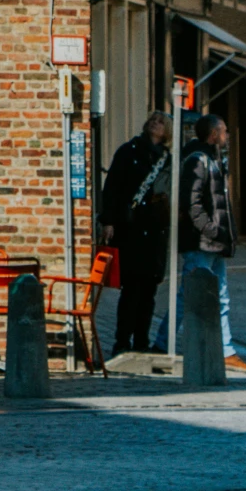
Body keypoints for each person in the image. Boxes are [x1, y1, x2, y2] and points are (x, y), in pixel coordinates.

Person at [154, 113, 246, 373]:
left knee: (220, 296)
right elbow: (192, 202)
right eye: (223, 131)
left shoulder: (212, 159)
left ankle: (226, 350)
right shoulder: (198, 160)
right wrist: (211, 230)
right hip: (202, 242)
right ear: (213, 135)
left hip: (213, 243)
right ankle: (162, 345)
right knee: (188, 295)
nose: (227, 135)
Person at [100, 110, 171, 355]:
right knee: (131, 289)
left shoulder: (167, 159)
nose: (155, 124)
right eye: (152, 119)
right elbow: (112, 187)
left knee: (149, 291)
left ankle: (141, 340)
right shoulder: (128, 151)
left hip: (155, 231)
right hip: (131, 228)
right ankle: (122, 341)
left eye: (161, 122)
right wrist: (108, 220)